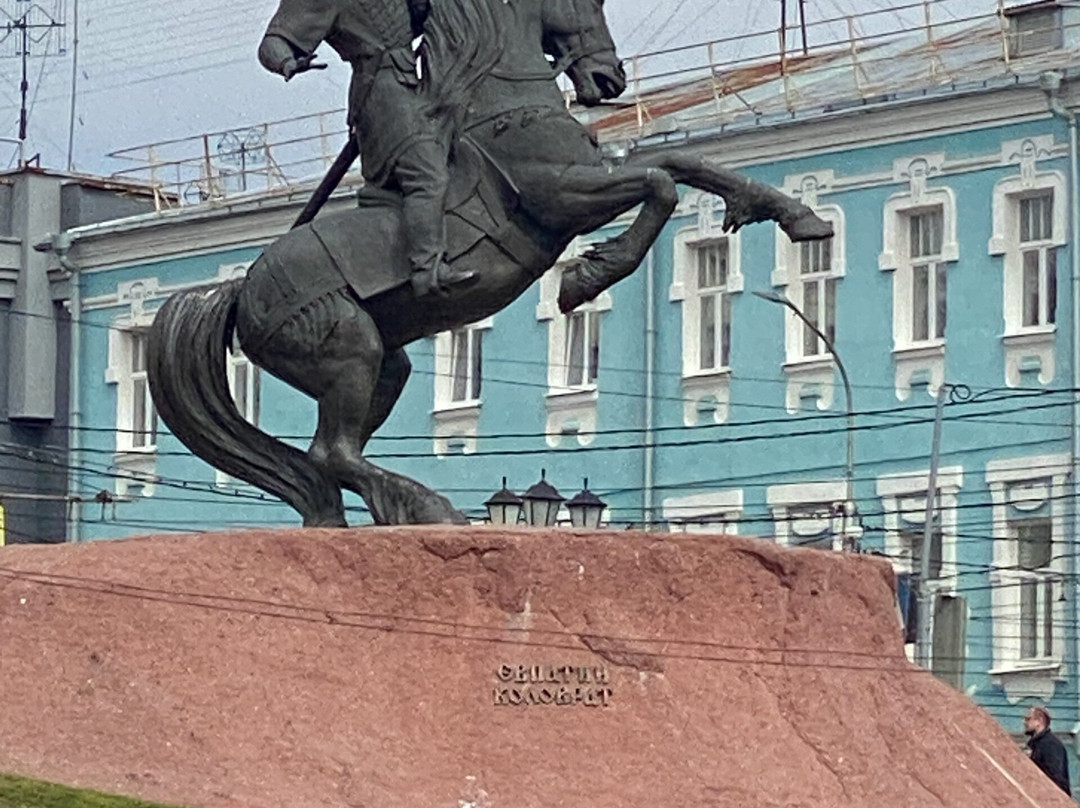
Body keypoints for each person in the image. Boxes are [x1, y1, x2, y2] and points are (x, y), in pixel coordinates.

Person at [257, 0, 475, 297]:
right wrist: (287, 61)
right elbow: (274, 41)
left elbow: (423, 15)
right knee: (427, 176)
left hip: (415, 83)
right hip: (382, 95)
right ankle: (428, 270)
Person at [1024, 706, 1072, 796]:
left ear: (1039, 721)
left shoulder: (1050, 744)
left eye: (1028, 719)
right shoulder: (1036, 744)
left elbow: (1056, 778)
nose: (1025, 722)